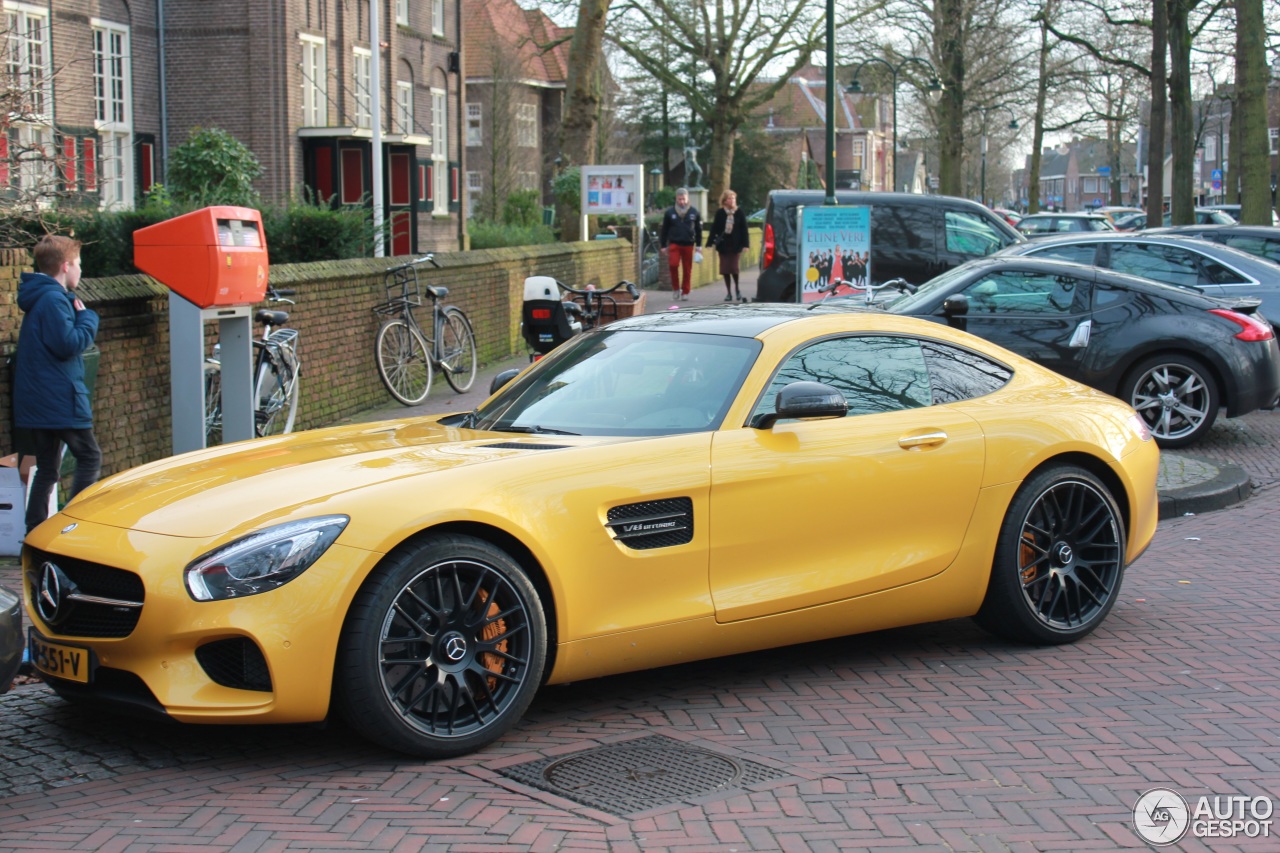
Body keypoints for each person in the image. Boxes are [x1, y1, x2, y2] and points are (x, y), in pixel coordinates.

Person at [14, 235, 101, 533]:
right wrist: (87, 318)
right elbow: (67, 344)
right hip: (59, 398)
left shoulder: (42, 297)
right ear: (65, 266)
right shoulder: (53, 299)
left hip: (41, 399)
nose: (81, 271)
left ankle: (35, 529)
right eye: (78, 265)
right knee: (90, 457)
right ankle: (73, 527)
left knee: (48, 468)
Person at [706, 189, 751, 302]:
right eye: (730, 198)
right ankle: (729, 293)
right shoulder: (720, 213)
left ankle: (737, 289)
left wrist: (746, 244)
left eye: (734, 198)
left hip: (735, 245)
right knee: (725, 269)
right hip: (724, 245)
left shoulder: (739, 212)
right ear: (724, 201)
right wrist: (709, 242)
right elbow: (714, 229)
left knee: (734, 268)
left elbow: (744, 229)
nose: (732, 201)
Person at [659, 187, 702, 301]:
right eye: (679, 199)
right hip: (674, 243)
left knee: (687, 269)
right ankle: (676, 288)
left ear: (687, 198)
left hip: (688, 243)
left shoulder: (694, 212)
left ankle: (685, 291)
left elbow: (698, 230)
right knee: (673, 265)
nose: (681, 201)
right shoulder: (670, 212)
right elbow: (664, 230)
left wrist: (698, 246)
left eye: (683, 199)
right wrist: (663, 245)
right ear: (676, 199)